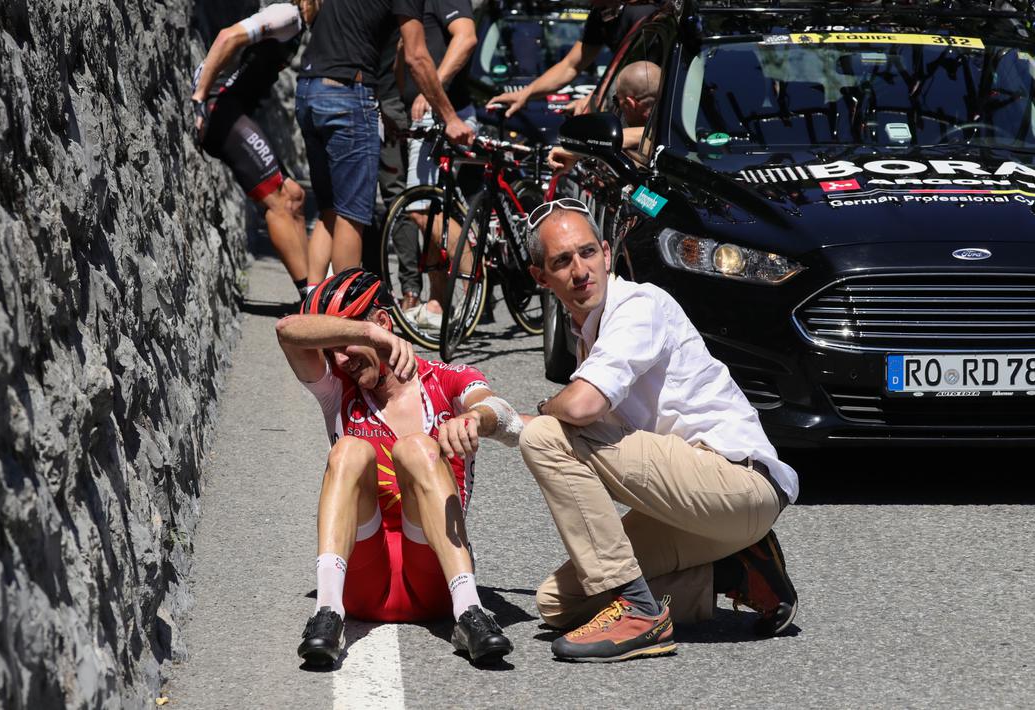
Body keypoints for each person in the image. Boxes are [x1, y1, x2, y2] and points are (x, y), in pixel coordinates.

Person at [517, 199, 800, 663]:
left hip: (736, 480)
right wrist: (486, 421)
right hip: (696, 509)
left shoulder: (637, 306)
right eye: (562, 261)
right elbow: (578, 429)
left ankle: (637, 612)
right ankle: (736, 571)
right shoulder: (590, 333)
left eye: (588, 253)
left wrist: (546, 410)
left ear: (608, 254)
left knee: (547, 435)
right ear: (540, 277)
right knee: (558, 603)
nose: (580, 270)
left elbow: (580, 410)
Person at [276, 268, 527, 667]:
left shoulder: (445, 380)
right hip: (365, 584)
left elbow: (502, 412)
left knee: (417, 449)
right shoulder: (337, 391)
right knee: (348, 452)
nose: (341, 359)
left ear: (383, 320)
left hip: (433, 581)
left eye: (348, 343)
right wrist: (366, 336)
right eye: (333, 349)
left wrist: (474, 420)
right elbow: (288, 330)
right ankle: (327, 613)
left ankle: (470, 612)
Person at [297, 0, 474, 292]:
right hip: (348, 94)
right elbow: (415, 55)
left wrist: (377, 108)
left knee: (328, 210)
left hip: (308, 90)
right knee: (351, 215)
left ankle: (311, 305)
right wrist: (450, 118)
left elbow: (353, 39)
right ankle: (347, 314)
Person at [191, 2, 315, 302]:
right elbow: (227, 37)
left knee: (295, 196)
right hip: (220, 109)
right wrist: (199, 98)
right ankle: (310, 298)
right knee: (280, 200)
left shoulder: (298, 25)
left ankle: (314, 291)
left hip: (234, 111)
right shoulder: (288, 15)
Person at [395, 0, 478, 328]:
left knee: (421, 209)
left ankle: (473, 287)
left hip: (444, 114)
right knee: (431, 213)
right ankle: (437, 303)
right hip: (423, 119)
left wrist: (433, 89)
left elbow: (467, 37)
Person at [487, 1, 656, 119]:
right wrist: (524, 94)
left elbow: (623, 73)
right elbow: (570, 66)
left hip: (652, 108)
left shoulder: (642, 13)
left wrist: (592, 101)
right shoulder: (601, 13)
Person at [546, 59, 660, 175]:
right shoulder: (677, 118)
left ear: (631, 104)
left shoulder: (667, 135)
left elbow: (648, 136)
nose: (617, 108)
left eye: (616, 101)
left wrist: (579, 150)